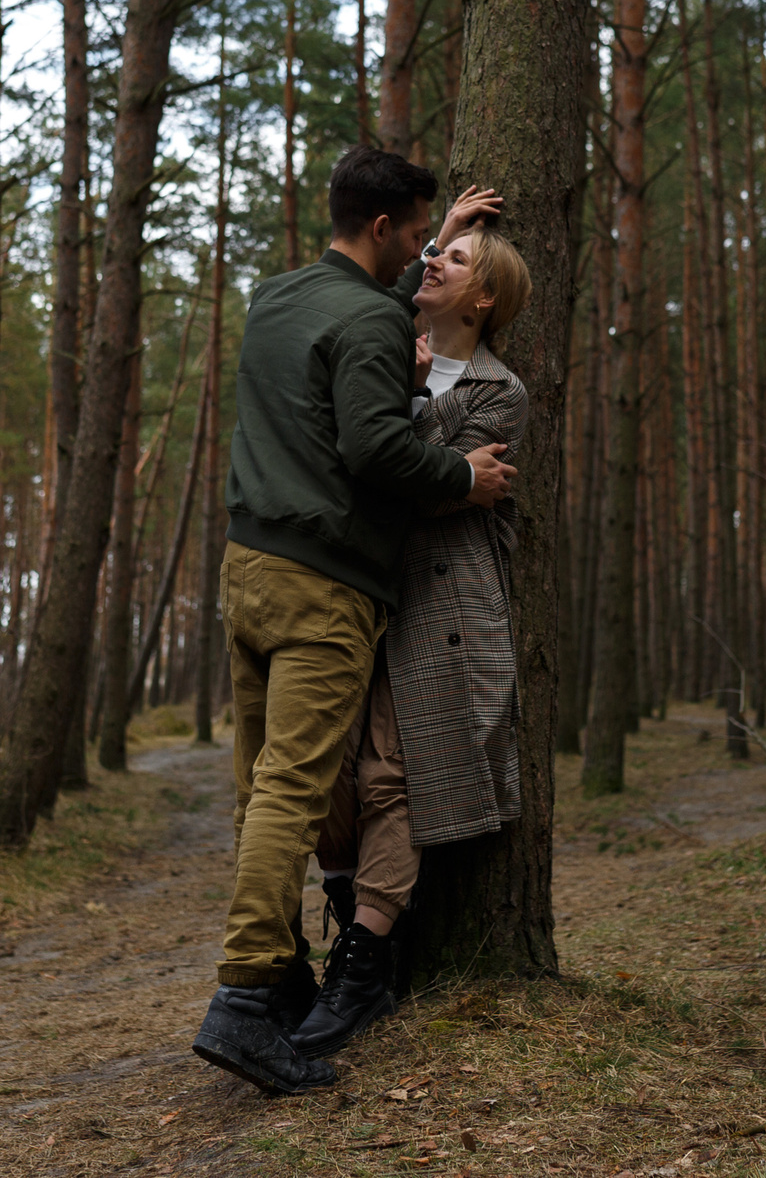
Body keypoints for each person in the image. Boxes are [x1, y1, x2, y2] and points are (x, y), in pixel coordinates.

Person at [190, 148, 518, 1097]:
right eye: (418, 234)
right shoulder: (375, 321)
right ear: (383, 227)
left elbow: (359, 310)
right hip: (323, 585)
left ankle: (285, 970)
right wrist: (464, 476)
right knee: (295, 790)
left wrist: (445, 233)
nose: (426, 249)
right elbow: (377, 445)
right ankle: (247, 1001)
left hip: (246, 570)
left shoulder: (277, 297)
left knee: (259, 787)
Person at [292, 220, 534, 1060]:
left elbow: (430, 489)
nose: (432, 263)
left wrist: (410, 407)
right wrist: (441, 234)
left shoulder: (501, 390)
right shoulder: (382, 343)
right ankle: (349, 921)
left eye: (455, 260)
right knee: (324, 767)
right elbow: (353, 456)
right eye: (431, 252)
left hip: (443, 604)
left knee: (391, 772)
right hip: (349, 586)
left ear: (485, 298)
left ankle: (361, 967)